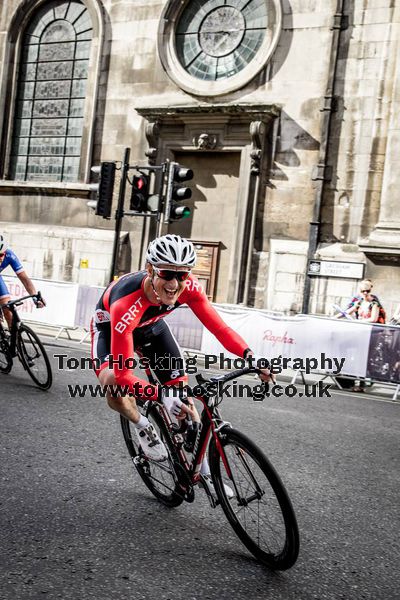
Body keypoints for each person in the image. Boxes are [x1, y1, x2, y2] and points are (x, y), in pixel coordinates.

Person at [90, 234, 271, 489]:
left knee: (183, 397)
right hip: (112, 329)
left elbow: (219, 329)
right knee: (113, 384)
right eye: (167, 274)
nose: (175, 284)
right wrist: (159, 393)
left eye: (183, 275)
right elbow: (122, 375)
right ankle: (143, 426)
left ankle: (203, 471)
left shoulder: (190, 288)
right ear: (151, 269)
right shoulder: (126, 302)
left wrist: (251, 356)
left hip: (152, 328)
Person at [0, 234, 45, 328]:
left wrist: (34, 297)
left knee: (8, 309)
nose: (0, 258)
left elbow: (24, 279)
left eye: (1, 255)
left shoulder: (9, 255)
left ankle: (13, 340)